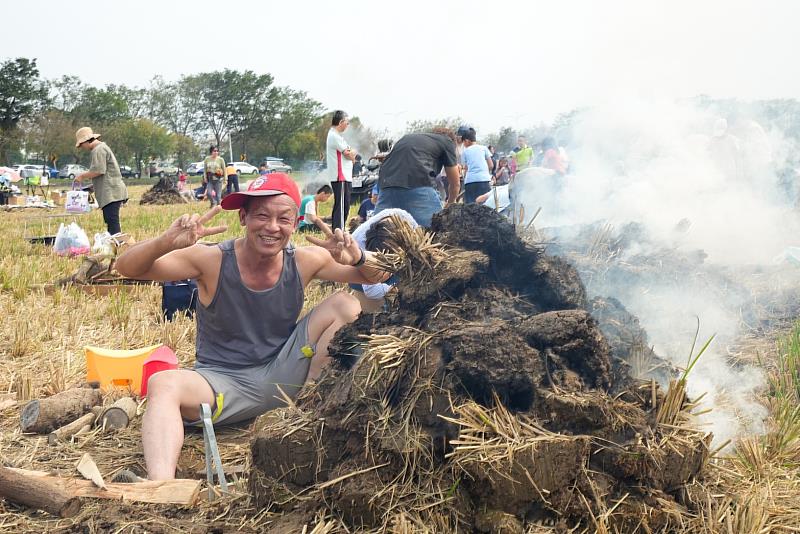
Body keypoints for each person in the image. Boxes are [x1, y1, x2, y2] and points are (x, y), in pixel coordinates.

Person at [114, 172, 389, 481]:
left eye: (283, 219)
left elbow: (379, 275)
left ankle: (311, 407)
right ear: (243, 217)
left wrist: (357, 256)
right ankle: (160, 487)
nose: (272, 227)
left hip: (285, 375)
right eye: (262, 216)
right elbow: (126, 268)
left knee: (344, 303)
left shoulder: (305, 260)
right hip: (220, 385)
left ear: (296, 224)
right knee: (163, 383)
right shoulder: (211, 259)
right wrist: (165, 242)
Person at [375, 127, 460, 226]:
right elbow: (455, 184)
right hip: (419, 183)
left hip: (386, 186)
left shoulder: (408, 138)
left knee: (378, 232)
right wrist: (450, 204)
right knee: (434, 233)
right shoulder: (447, 141)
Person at [349, 208, 416, 313]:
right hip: (362, 274)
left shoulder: (407, 224)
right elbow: (371, 290)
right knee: (374, 312)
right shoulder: (358, 248)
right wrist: (399, 289)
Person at [74, 127, 128, 235]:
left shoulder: (98, 150)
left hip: (111, 193)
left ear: (86, 141)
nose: (82, 147)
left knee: (112, 221)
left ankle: (118, 245)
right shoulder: (101, 148)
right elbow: (105, 173)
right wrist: (92, 185)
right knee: (110, 220)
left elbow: (99, 170)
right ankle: (114, 243)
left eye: (82, 144)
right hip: (111, 191)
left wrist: (81, 176)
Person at [327, 110, 357, 231]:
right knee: (341, 206)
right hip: (341, 176)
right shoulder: (334, 136)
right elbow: (348, 154)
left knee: (344, 205)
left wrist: (352, 154)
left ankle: (339, 230)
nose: (347, 125)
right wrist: (353, 152)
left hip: (345, 176)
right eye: (347, 122)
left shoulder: (338, 136)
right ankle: (338, 231)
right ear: (341, 122)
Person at [461, 128, 493, 204]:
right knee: (486, 205)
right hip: (484, 180)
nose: (464, 145)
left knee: (470, 206)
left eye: (463, 143)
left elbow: (465, 168)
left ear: (466, 141)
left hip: (470, 181)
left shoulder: (465, 152)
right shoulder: (484, 148)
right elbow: (491, 165)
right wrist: (485, 172)